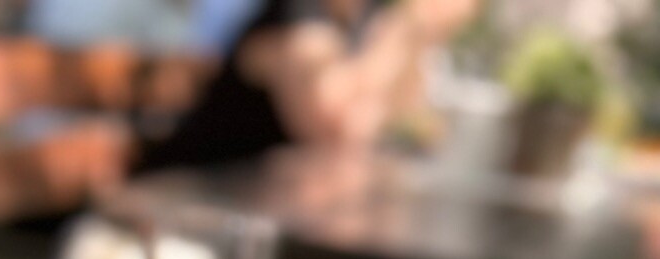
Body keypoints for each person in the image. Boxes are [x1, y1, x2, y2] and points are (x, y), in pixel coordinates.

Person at [138, 0, 483, 172]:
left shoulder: (357, 20)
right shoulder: (295, 19)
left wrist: (416, 35)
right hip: (187, 208)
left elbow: (387, 118)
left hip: (253, 215)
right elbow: (340, 134)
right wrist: (412, 27)